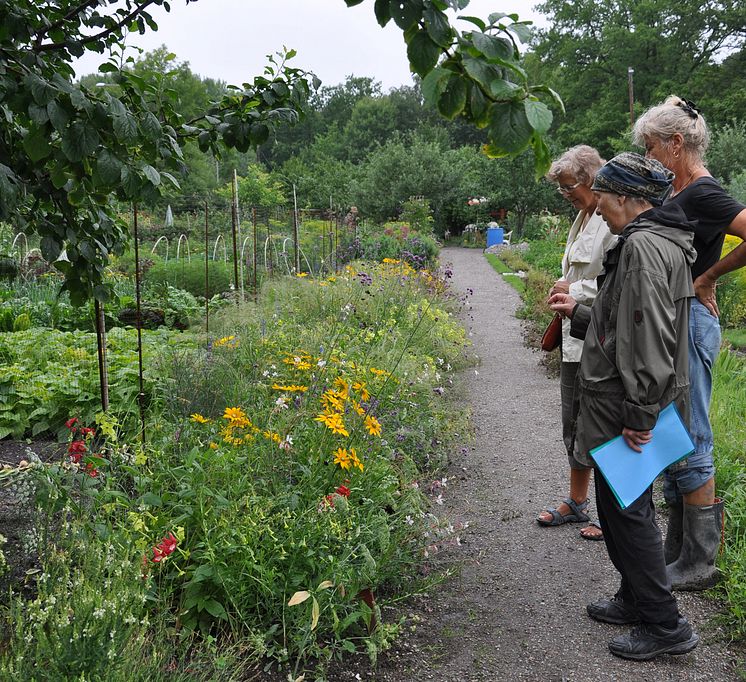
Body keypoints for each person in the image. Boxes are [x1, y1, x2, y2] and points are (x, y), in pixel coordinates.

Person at [549, 152, 699, 660]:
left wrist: (639, 412)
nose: (602, 207)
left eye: (606, 196)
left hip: (625, 403)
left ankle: (665, 625)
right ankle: (634, 598)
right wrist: (585, 312)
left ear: (626, 197)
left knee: (629, 511)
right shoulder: (660, 240)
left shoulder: (641, 249)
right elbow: (628, 321)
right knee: (618, 510)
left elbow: (650, 337)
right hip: (628, 395)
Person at [633, 96, 746, 590]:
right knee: (674, 428)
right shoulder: (675, 192)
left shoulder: (703, 193)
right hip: (674, 321)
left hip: (694, 321)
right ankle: (678, 550)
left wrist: (709, 276)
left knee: (694, 430)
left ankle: (700, 562)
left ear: (677, 144)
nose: (648, 155)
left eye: (652, 146)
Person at [537, 145, 617, 541]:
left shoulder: (609, 217)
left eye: (570, 186)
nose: (566, 194)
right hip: (574, 334)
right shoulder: (584, 216)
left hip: (599, 336)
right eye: (562, 189)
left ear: (590, 179)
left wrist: (573, 288)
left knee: (603, 424)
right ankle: (577, 501)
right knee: (573, 419)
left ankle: (611, 512)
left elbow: (615, 283)